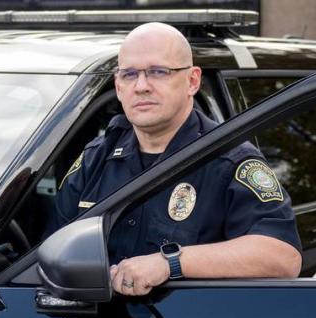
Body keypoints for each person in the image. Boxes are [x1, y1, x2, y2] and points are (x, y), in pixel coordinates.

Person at [49, 22, 302, 296]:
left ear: (192, 81)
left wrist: (170, 263)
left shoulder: (230, 161)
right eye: (129, 74)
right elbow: (52, 246)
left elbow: (283, 257)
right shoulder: (95, 158)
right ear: (118, 86)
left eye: (158, 72)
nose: (142, 86)